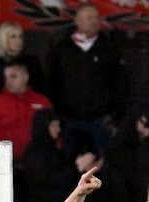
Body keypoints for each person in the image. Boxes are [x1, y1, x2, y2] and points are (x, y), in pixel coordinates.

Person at [47, 3, 126, 157]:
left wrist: (114, 115)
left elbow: (121, 83)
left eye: (96, 18)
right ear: (77, 21)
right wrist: (58, 114)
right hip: (68, 120)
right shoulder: (62, 49)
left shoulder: (109, 49)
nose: (94, 21)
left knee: (103, 164)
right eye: (89, 18)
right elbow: (52, 83)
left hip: (101, 121)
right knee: (68, 163)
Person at [0, 59, 51, 162]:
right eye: (6, 77)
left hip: (39, 163)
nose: (8, 81)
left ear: (26, 77)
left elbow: (54, 132)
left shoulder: (42, 102)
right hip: (5, 163)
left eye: (13, 76)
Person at [0, 21, 46, 104]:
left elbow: (39, 89)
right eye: (13, 37)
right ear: (4, 40)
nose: (18, 40)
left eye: (20, 37)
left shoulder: (32, 62)